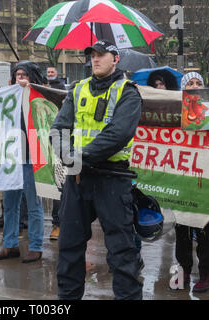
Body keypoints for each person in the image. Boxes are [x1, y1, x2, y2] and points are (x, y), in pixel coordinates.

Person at [50, 40, 143, 300]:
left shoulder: (128, 92)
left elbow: (118, 134)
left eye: (101, 55)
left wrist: (79, 157)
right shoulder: (77, 90)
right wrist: (69, 158)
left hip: (112, 179)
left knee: (122, 251)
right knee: (69, 247)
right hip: (78, 179)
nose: (95, 59)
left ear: (116, 59)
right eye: (91, 55)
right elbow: (58, 129)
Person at [0, 60, 46, 263]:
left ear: (32, 78)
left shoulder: (39, 96)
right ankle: (10, 245)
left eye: (24, 75)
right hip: (12, 157)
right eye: (17, 75)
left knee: (33, 205)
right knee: (10, 205)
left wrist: (31, 90)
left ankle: (36, 247)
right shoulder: (8, 97)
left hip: (32, 157)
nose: (20, 79)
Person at [170, 72, 209, 293]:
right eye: (190, 83)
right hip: (181, 177)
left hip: (203, 178)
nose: (194, 86)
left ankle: (206, 273)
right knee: (182, 229)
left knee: (203, 228)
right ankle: (184, 270)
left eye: (198, 82)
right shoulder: (173, 111)